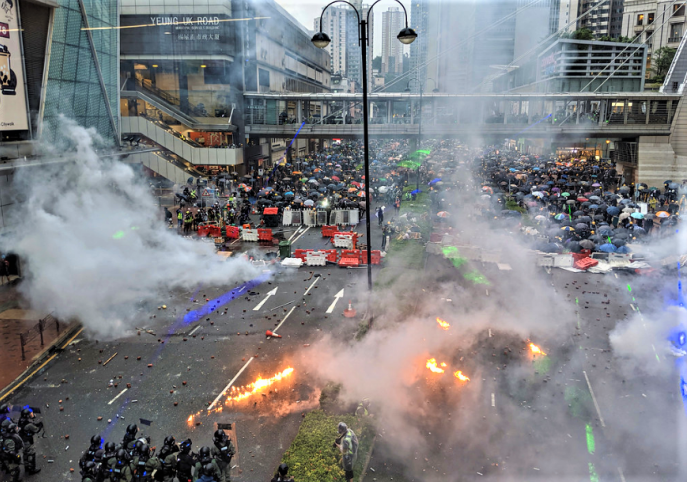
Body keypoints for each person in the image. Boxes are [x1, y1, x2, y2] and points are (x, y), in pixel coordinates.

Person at [17, 408, 42, 475]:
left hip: (22, 440)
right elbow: (36, 430)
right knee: (32, 454)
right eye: (29, 414)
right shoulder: (29, 425)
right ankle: (32, 469)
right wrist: (40, 425)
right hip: (27, 441)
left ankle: (26, 468)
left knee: (25, 454)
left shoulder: (21, 420)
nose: (31, 414)